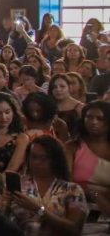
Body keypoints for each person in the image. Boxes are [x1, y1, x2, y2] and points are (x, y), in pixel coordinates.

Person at [6, 135, 87, 236]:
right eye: (33, 157)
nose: (36, 162)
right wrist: (5, 203)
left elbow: (74, 229)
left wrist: (38, 209)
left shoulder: (72, 190)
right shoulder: (19, 184)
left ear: (55, 160)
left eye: (43, 158)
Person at [64, 101, 110, 229]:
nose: (93, 122)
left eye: (99, 118)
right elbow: (66, 183)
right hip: (78, 205)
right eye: (89, 117)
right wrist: (93, 193)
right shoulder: (72, 147)